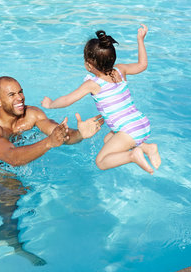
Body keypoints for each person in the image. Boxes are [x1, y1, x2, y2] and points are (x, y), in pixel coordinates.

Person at [0, 76, 103, 266]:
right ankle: (8, 237)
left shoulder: (32, 114)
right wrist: (48, 143)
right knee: (12, 184)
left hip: (7, 150)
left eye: (20, 92)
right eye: (11, 94)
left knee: (21, 184)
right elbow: (13, 159)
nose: (20, 97)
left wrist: (79, 134)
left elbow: (59, 133)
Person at [42, 24, 161, 174]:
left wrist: (50, 104)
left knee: (101, 162)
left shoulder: (92, 84)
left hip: (128, 131)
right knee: (108, 140)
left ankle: (133, 155)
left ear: (89, 64)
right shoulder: (120, 70)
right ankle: (148, 148)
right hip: (141, 122)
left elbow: (67, 100)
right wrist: (140, 40)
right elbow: (142, 65)